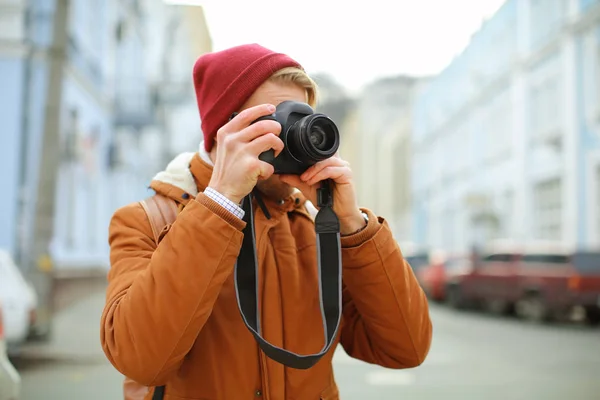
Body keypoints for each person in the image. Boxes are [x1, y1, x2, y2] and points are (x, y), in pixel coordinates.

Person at [100, 43, 432, 400]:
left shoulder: (316, 230)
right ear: (224, 130)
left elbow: (406, 348)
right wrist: (220, 202)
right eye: (275, 120)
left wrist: (352, 226)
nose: (293, 136)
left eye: (301, 119)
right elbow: (139, 359)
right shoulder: (146, 221)